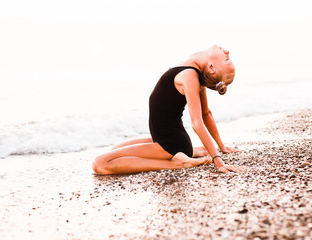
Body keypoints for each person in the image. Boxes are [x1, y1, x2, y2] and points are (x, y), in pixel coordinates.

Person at [93, 45, 246, 175]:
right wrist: (222, 146)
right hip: (163, 138)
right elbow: (207, 114)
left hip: (171, 144)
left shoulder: (190, 76)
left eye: (226, 59)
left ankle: (177, 163)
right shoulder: (193, 71)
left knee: (100, 163)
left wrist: (217, 160)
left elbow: (198, 122)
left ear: (211, 67)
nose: (227, 52)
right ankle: (187, 154)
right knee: (115, 149)